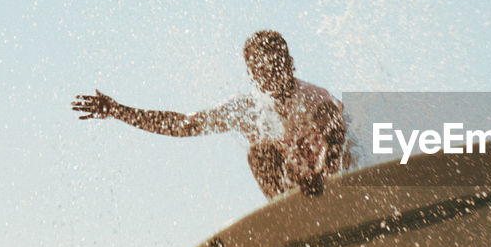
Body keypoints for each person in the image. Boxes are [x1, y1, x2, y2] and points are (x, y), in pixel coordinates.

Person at [73, 30, 351, 198]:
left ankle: (332, 184)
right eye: (260, 70)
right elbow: (184, 124)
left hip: (339, 175)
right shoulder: (248, 110)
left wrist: (325, 175)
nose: (269, 75)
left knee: (333, 119)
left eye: (275, 66)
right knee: (259, 154)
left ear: (290, 64)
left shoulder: (314, 98)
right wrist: (118, 110)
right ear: (251, 74)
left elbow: (337, 133)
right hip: (298, 185)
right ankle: (290, 211)